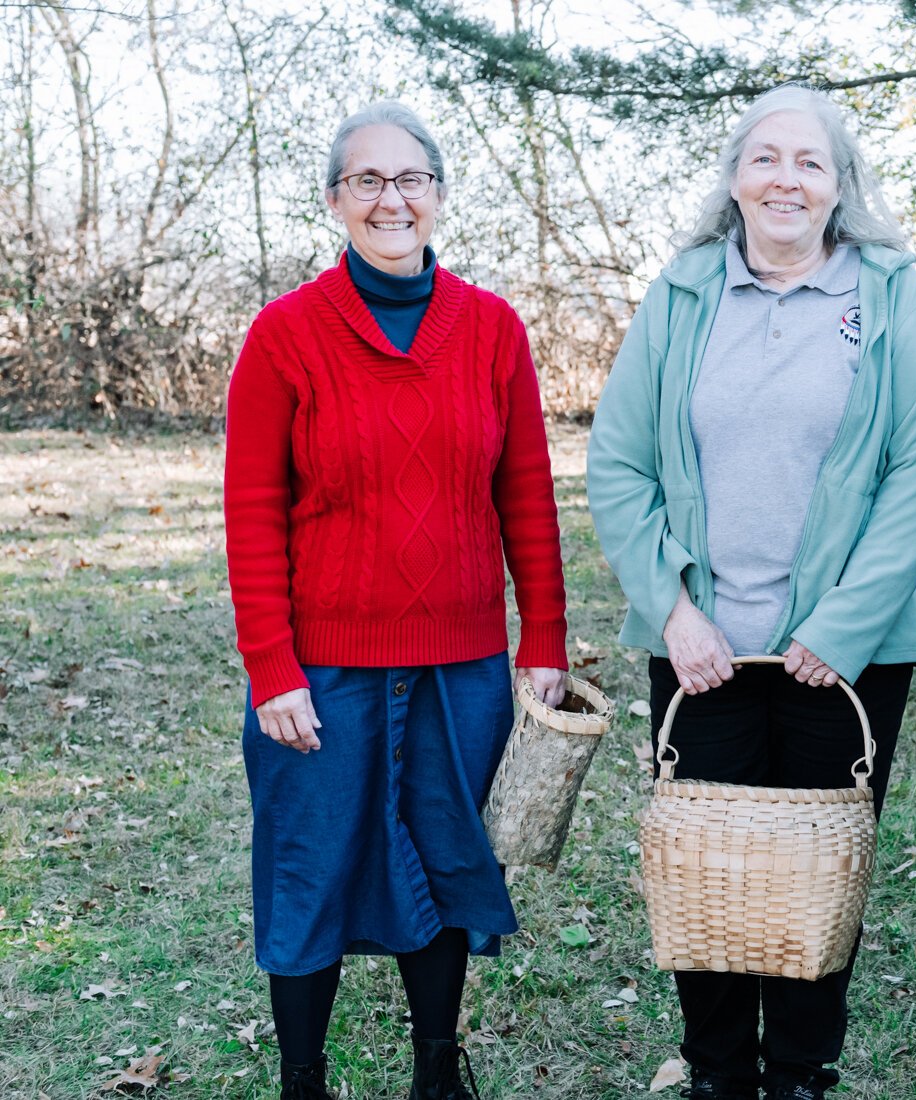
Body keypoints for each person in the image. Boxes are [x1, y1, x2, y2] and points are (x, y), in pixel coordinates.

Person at [587, 84, 916, 1100]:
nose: (784, 178)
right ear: (735, 179)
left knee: (813, 880)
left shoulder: (886, 293)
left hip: (842, 657)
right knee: (702, 869)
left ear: (839, 186)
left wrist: (839, 625)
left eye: (809, 161)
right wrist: (671, 608)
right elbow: (617, 464)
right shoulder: (681, 292)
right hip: (700, 648)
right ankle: (717, 1075)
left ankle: (799, 1074)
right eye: (766, 158)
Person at [223, 101, 568, 1100]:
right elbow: (251, 512)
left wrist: (541, 636)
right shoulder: (285, 336)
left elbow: (527, 498)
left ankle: (437, 1070)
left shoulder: (493, 330)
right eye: (367, 180)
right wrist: (272, 666)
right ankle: (302, 1079)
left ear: (439, 195)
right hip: (321, 669)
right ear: (335, 199)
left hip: (461, 663)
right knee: (309, 864)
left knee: (452, 858)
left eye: (411, 177)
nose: (391, 198)